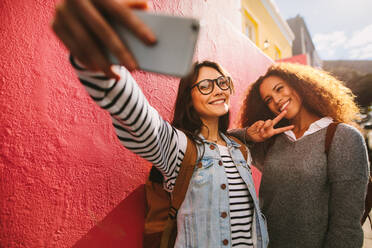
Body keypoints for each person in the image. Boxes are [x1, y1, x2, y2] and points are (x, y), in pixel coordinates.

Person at [51, 0, 288, 247]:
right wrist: (96, 57)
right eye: (205, 85)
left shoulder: (240, 148)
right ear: (189, 98)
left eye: (222, 82)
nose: (217, 90)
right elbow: (137, 115)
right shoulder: (178, 148)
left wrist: (248, 135)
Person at [230, 63, 369, 248]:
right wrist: (249, 134)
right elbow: (224, 141)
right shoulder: (273, 141)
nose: (277, 100)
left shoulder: (343, 137)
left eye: (279, 89)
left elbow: (346, 225)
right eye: (269, 99)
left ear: (299, 84)